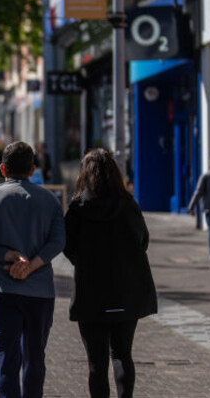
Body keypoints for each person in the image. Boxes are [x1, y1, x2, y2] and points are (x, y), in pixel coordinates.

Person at [0, 141, 65, 398]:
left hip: (1, 289)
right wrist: (32, 265)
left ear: (2, 169)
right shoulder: (49, 200)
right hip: (40, 291)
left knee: (6, 360)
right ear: (33, 169)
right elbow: (58, 241)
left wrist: (6, 254)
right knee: (35, 358)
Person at [63, 148, 157, 398]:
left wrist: (87, 262)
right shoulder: (128, 205)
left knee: (96, 363)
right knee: (123, 354)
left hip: (91, 293)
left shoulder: (77, 208)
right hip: (127, 291)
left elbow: (68, 247)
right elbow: (143, 240)